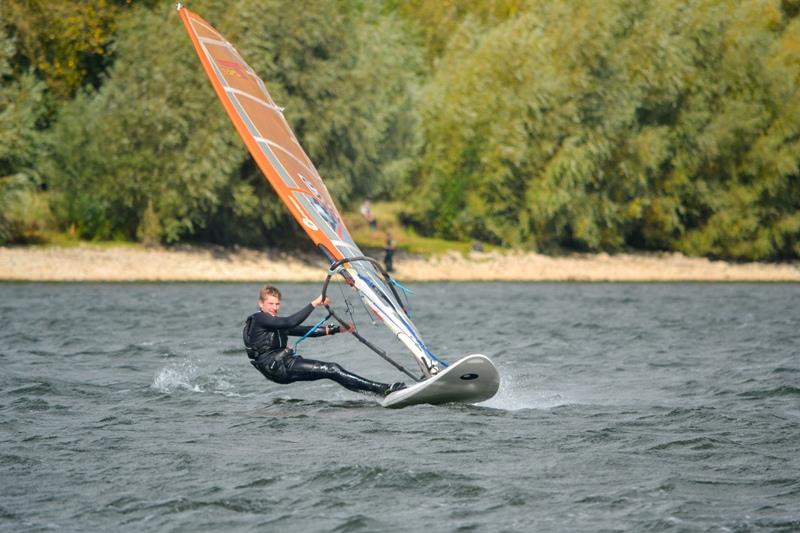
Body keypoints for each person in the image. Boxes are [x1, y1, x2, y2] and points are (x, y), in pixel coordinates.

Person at [243, 285, 405, 396]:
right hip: (275, 366)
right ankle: (383, 390)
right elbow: (290, 323)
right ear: (261, 304)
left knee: (332, 372)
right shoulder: (259, 319)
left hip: (283, 365)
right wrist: (314, 303)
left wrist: (336, 329)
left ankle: (375, 393)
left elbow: (303, 330)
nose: (275, 308)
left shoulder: (274, 321)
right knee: (332, 369)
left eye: (277, 304)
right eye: (271, 304)